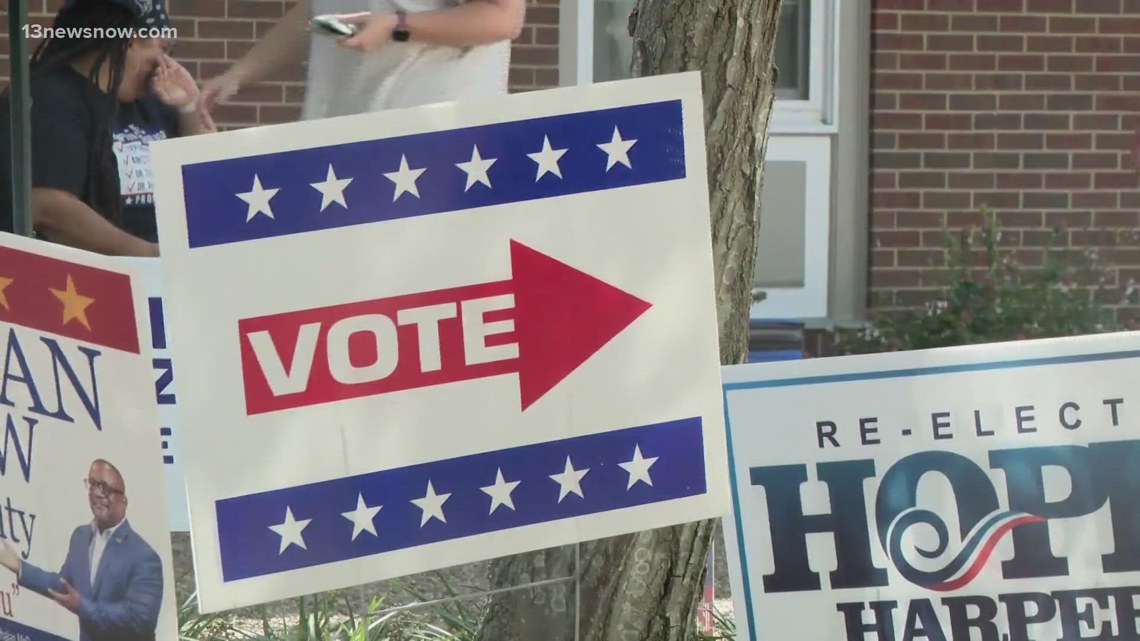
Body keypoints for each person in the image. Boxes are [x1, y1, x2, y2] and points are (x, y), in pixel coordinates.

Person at [0, 0, 216, 256]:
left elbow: (208, 178)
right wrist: (150, 254)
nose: (166, 62)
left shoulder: (152, 100)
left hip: (159, 274)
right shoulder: (49, 98)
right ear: (129, 40)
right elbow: (47, 205)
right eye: (165, 47)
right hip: (88, 281)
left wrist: (189, 108)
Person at [199, 0, 524, 120]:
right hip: (347, 147)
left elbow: (502, 17)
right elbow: (318, 14)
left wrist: (396, 26)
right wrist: (240, 73)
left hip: (435, 144)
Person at [0, 459, 164, 641]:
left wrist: (82, 606)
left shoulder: (145, 557)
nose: (97, 494)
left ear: (123, 502)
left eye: (106, 488)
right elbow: (63, 586)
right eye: (93, 484)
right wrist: (18, 565)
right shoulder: (81, 537)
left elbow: (140, 618)